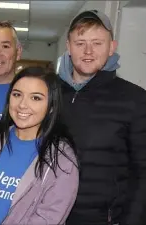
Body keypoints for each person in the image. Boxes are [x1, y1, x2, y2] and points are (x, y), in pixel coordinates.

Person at [0, 67, 79, 225]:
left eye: (35, 98)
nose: (22, 105)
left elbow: (50, 215)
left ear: (51, 107)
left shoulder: (62, 158)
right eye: (17, 95)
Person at [58, 10, 146, 224]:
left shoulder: (135, 99)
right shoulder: (49, 92)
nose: (88, 51)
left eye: (97, 43)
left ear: (112, 47)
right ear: (68, 47)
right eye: (80, 43)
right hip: (49, 215)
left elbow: (143, 172)